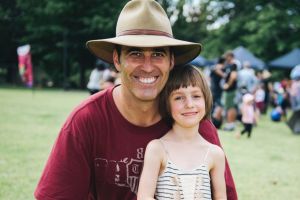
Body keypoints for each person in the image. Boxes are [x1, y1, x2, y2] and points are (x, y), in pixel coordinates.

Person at [34, 0, 237, 199]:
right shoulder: (86, 120)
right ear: (117, 60)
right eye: (135, 53)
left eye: (157, 54)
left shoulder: (193, 121)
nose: (147, 66)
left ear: (171, 61)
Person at [137, 65, 226, 200]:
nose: (189, 104)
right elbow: (144, 197)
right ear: (166, 103)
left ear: (206, 99)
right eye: (179, 98)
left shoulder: (214, 153)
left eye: (196, 96)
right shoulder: (157, 149)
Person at [222, 51, 238, 131]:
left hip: (230, 90)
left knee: (230, 107)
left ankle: (230, 124)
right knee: (230, 106)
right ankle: (230, 123)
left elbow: (233, 76)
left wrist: (228, 85)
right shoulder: (228, 65)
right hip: (229, 90)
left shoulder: (233, 65)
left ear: (231, 56)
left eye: (227, 56)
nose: (226, 58)